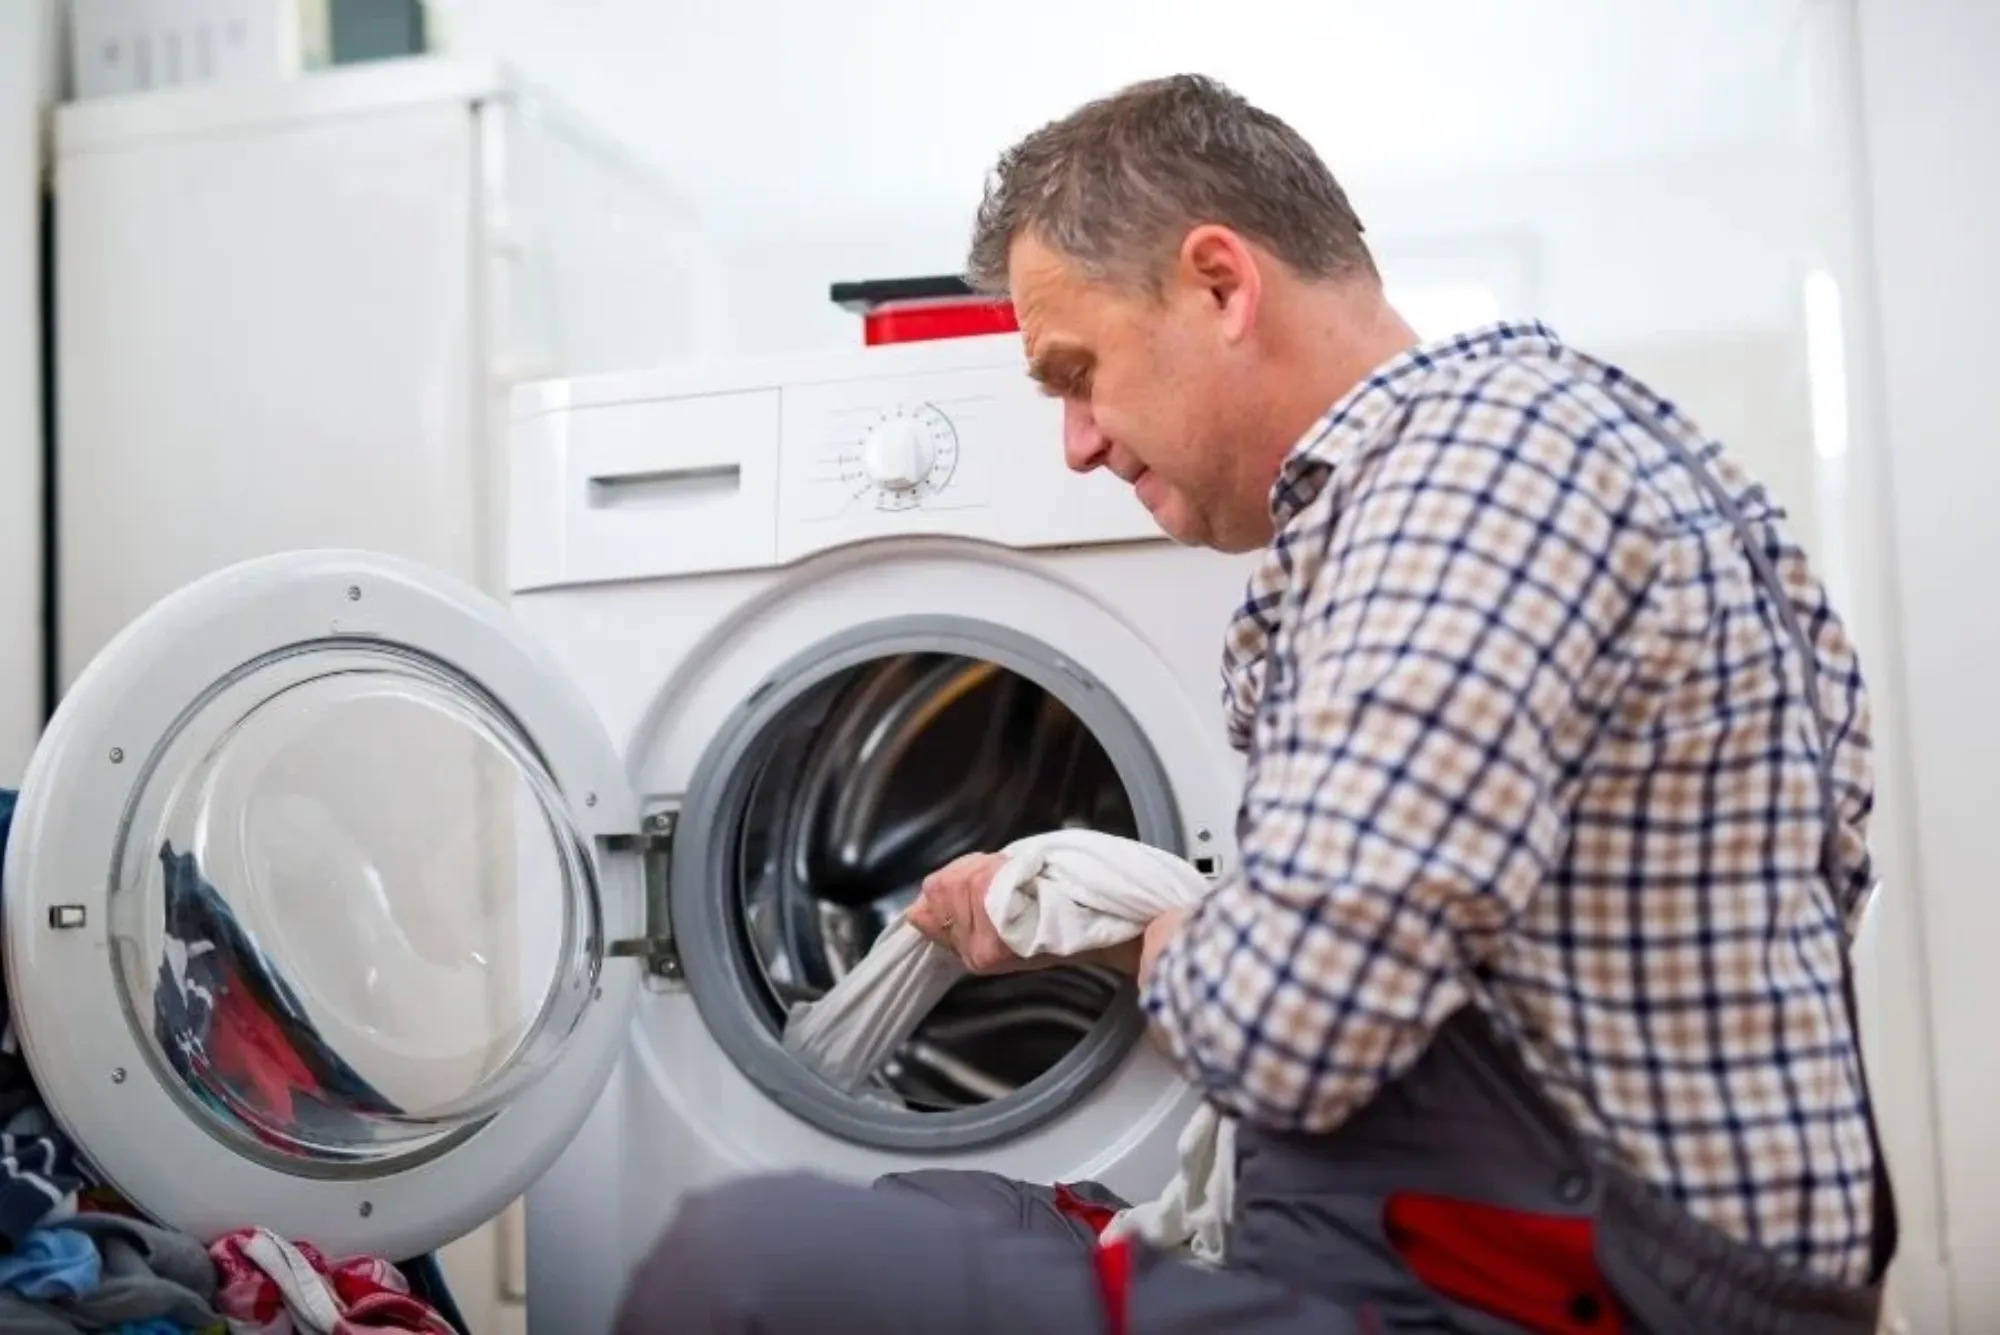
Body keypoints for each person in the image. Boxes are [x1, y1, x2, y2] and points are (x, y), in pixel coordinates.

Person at [613, 74, 1897, 1333]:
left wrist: (1128, 912)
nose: (1076, 440)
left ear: (1220, 284)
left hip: (1557, 1283)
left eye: (1076, 371)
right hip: (1504, 1237)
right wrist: (1120, 917)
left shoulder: (1473, 478)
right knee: (931, 1209)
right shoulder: (1540, 446)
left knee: (745, 1262)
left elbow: (1295, 1031)